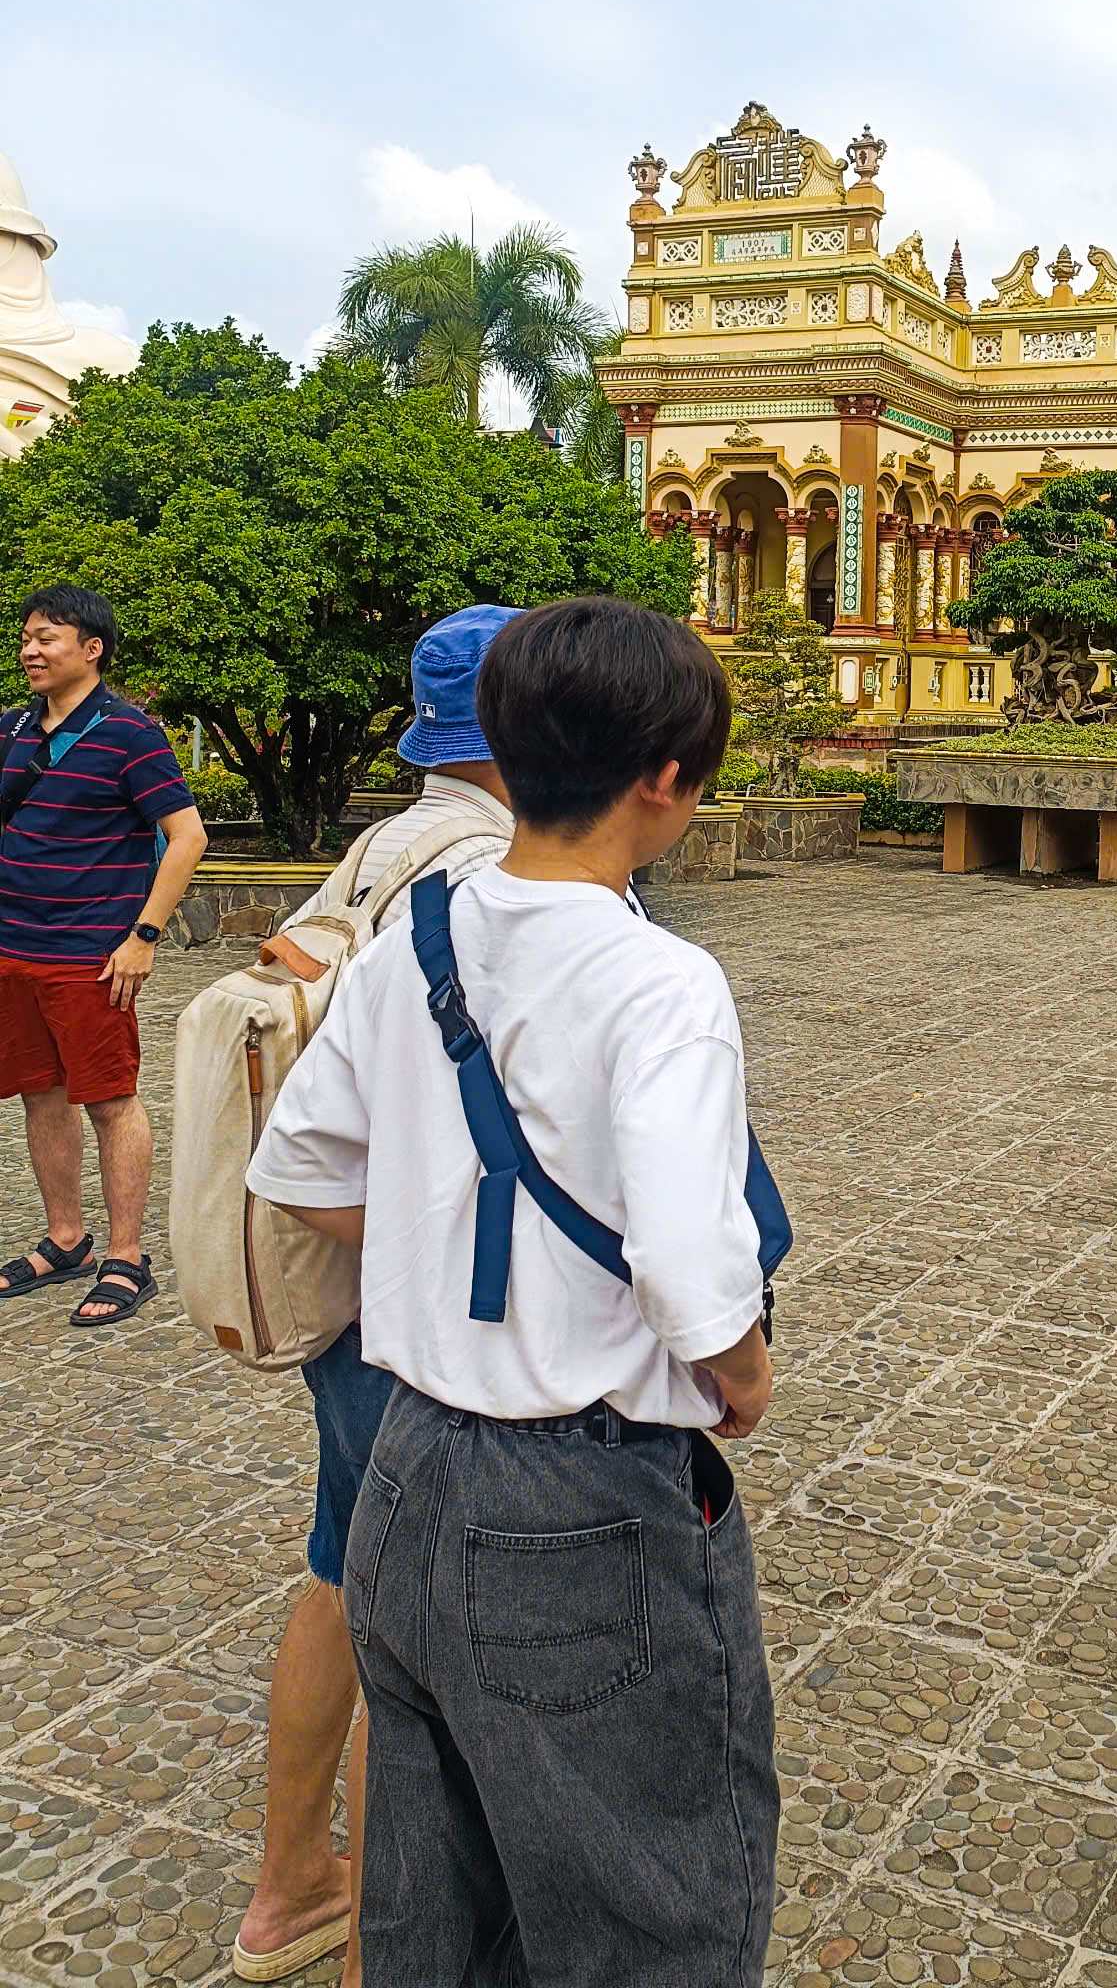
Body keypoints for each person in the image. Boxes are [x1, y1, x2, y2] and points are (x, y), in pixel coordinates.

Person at [246, 598, 778, 1988]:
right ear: (666, 779)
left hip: (409, 1466)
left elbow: (296, 1163)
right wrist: (742, 1371)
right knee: (649, 1908)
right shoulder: (660, 978)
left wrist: (430, 1249)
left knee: (434, 1907)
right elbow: (689, 1267)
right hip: (581, 1498)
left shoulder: (418, 938)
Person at [234, 605, 519, 1987]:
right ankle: (382, 1943)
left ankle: (291, 1882)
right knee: (416, 1628)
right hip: (407, 1309)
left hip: (338, 1291)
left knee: (342, 1570)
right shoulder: (489, 876)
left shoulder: (384, 844)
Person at [0, 583, 206, 1326]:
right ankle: (66, 1241)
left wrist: (143, 936)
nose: (30, 650)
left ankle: (126, 1258)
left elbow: (187, 837)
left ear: (91, 649)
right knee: (40, 1093)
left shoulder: (130, 734)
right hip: (14, 948)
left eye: (46, 637)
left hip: (92, 956)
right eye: (26, 637)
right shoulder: (13, 727)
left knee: (110, 1100)